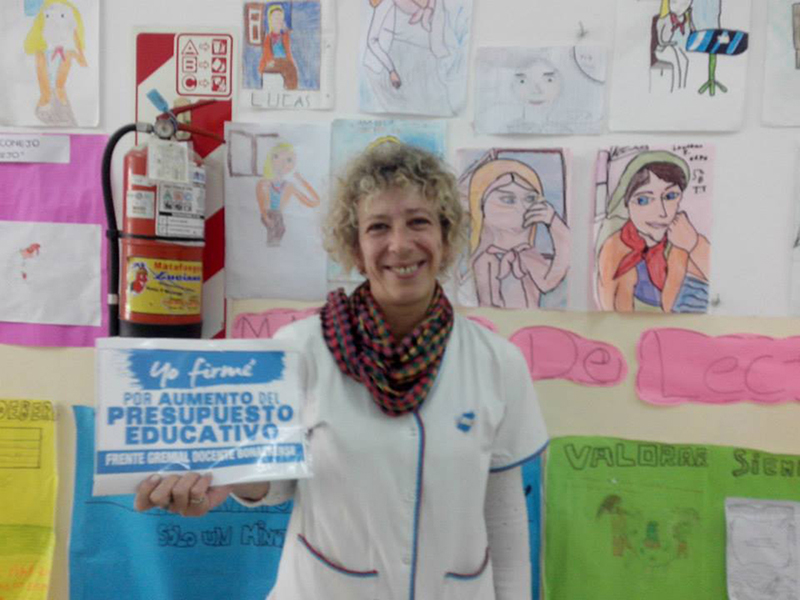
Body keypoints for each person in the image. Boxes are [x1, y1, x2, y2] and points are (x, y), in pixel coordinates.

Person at [135, 143, 548, 600]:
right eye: (378, 227)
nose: (400, 244)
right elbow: (276, 482)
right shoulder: (299, 350)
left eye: (418, 221)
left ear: (446, 237)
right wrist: (230, 478)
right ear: (355, 247)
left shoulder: (497, 363)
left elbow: (505, 522)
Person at [595, 150, 710, 313]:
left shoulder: (684, 241)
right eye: (643, 200)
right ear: (626, 204)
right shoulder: (614, 249)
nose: (661, 213)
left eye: (670, 196)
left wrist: (694, 244)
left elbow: (726, 283)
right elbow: (607, 311)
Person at [467, 158, 570, 309]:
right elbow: (489, 306)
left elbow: (550, 281)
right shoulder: (485, 259)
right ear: (482, 205)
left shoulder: (527, 254)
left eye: (530, 198)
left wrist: (554, 222)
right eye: (507, 199)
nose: (522, 208)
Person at [24, 0, 88, 126]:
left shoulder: (69, 53)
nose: (55, 25)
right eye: (48, 17)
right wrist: (46, 99)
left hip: (60, 101)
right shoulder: (41, 54)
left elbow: (81, 65)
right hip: (48, 102)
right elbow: (42, 78)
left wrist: (79, 50)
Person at [255, 141, 320, 246]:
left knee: (276, 242)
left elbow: (314, 202)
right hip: (270, 218)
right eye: (276, 157)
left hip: (278, 219)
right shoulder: (263, 183)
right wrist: (266, 217)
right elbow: (261, 204)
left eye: (289, 160)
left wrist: (301, 180)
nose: (282, 163)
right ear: (270, 159)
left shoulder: (289, 186)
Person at [259, 5, 298, 90]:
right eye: (276, 18)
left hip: (285, 65)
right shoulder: (268, 38)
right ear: (270, 21)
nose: (278, 21)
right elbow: (266, 56)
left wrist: (291, 65)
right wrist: (269, 64)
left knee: (291, 77)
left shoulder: (285, 37)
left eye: (281, 19)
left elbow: (288, 53)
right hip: (272, 65)